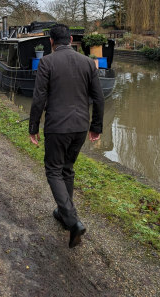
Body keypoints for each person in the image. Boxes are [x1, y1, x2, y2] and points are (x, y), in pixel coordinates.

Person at [28, 24, 104, 248]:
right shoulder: (88, 63)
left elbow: (39, 98)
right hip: (80, 127)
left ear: (51, 42)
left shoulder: (47, 62)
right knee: (67, 169)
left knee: (53, 170)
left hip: (57, 127)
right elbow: (98, 98)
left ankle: (72, 221)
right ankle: (63, 213)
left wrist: (33, 127)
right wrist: (96, 126)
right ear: (70, 39)